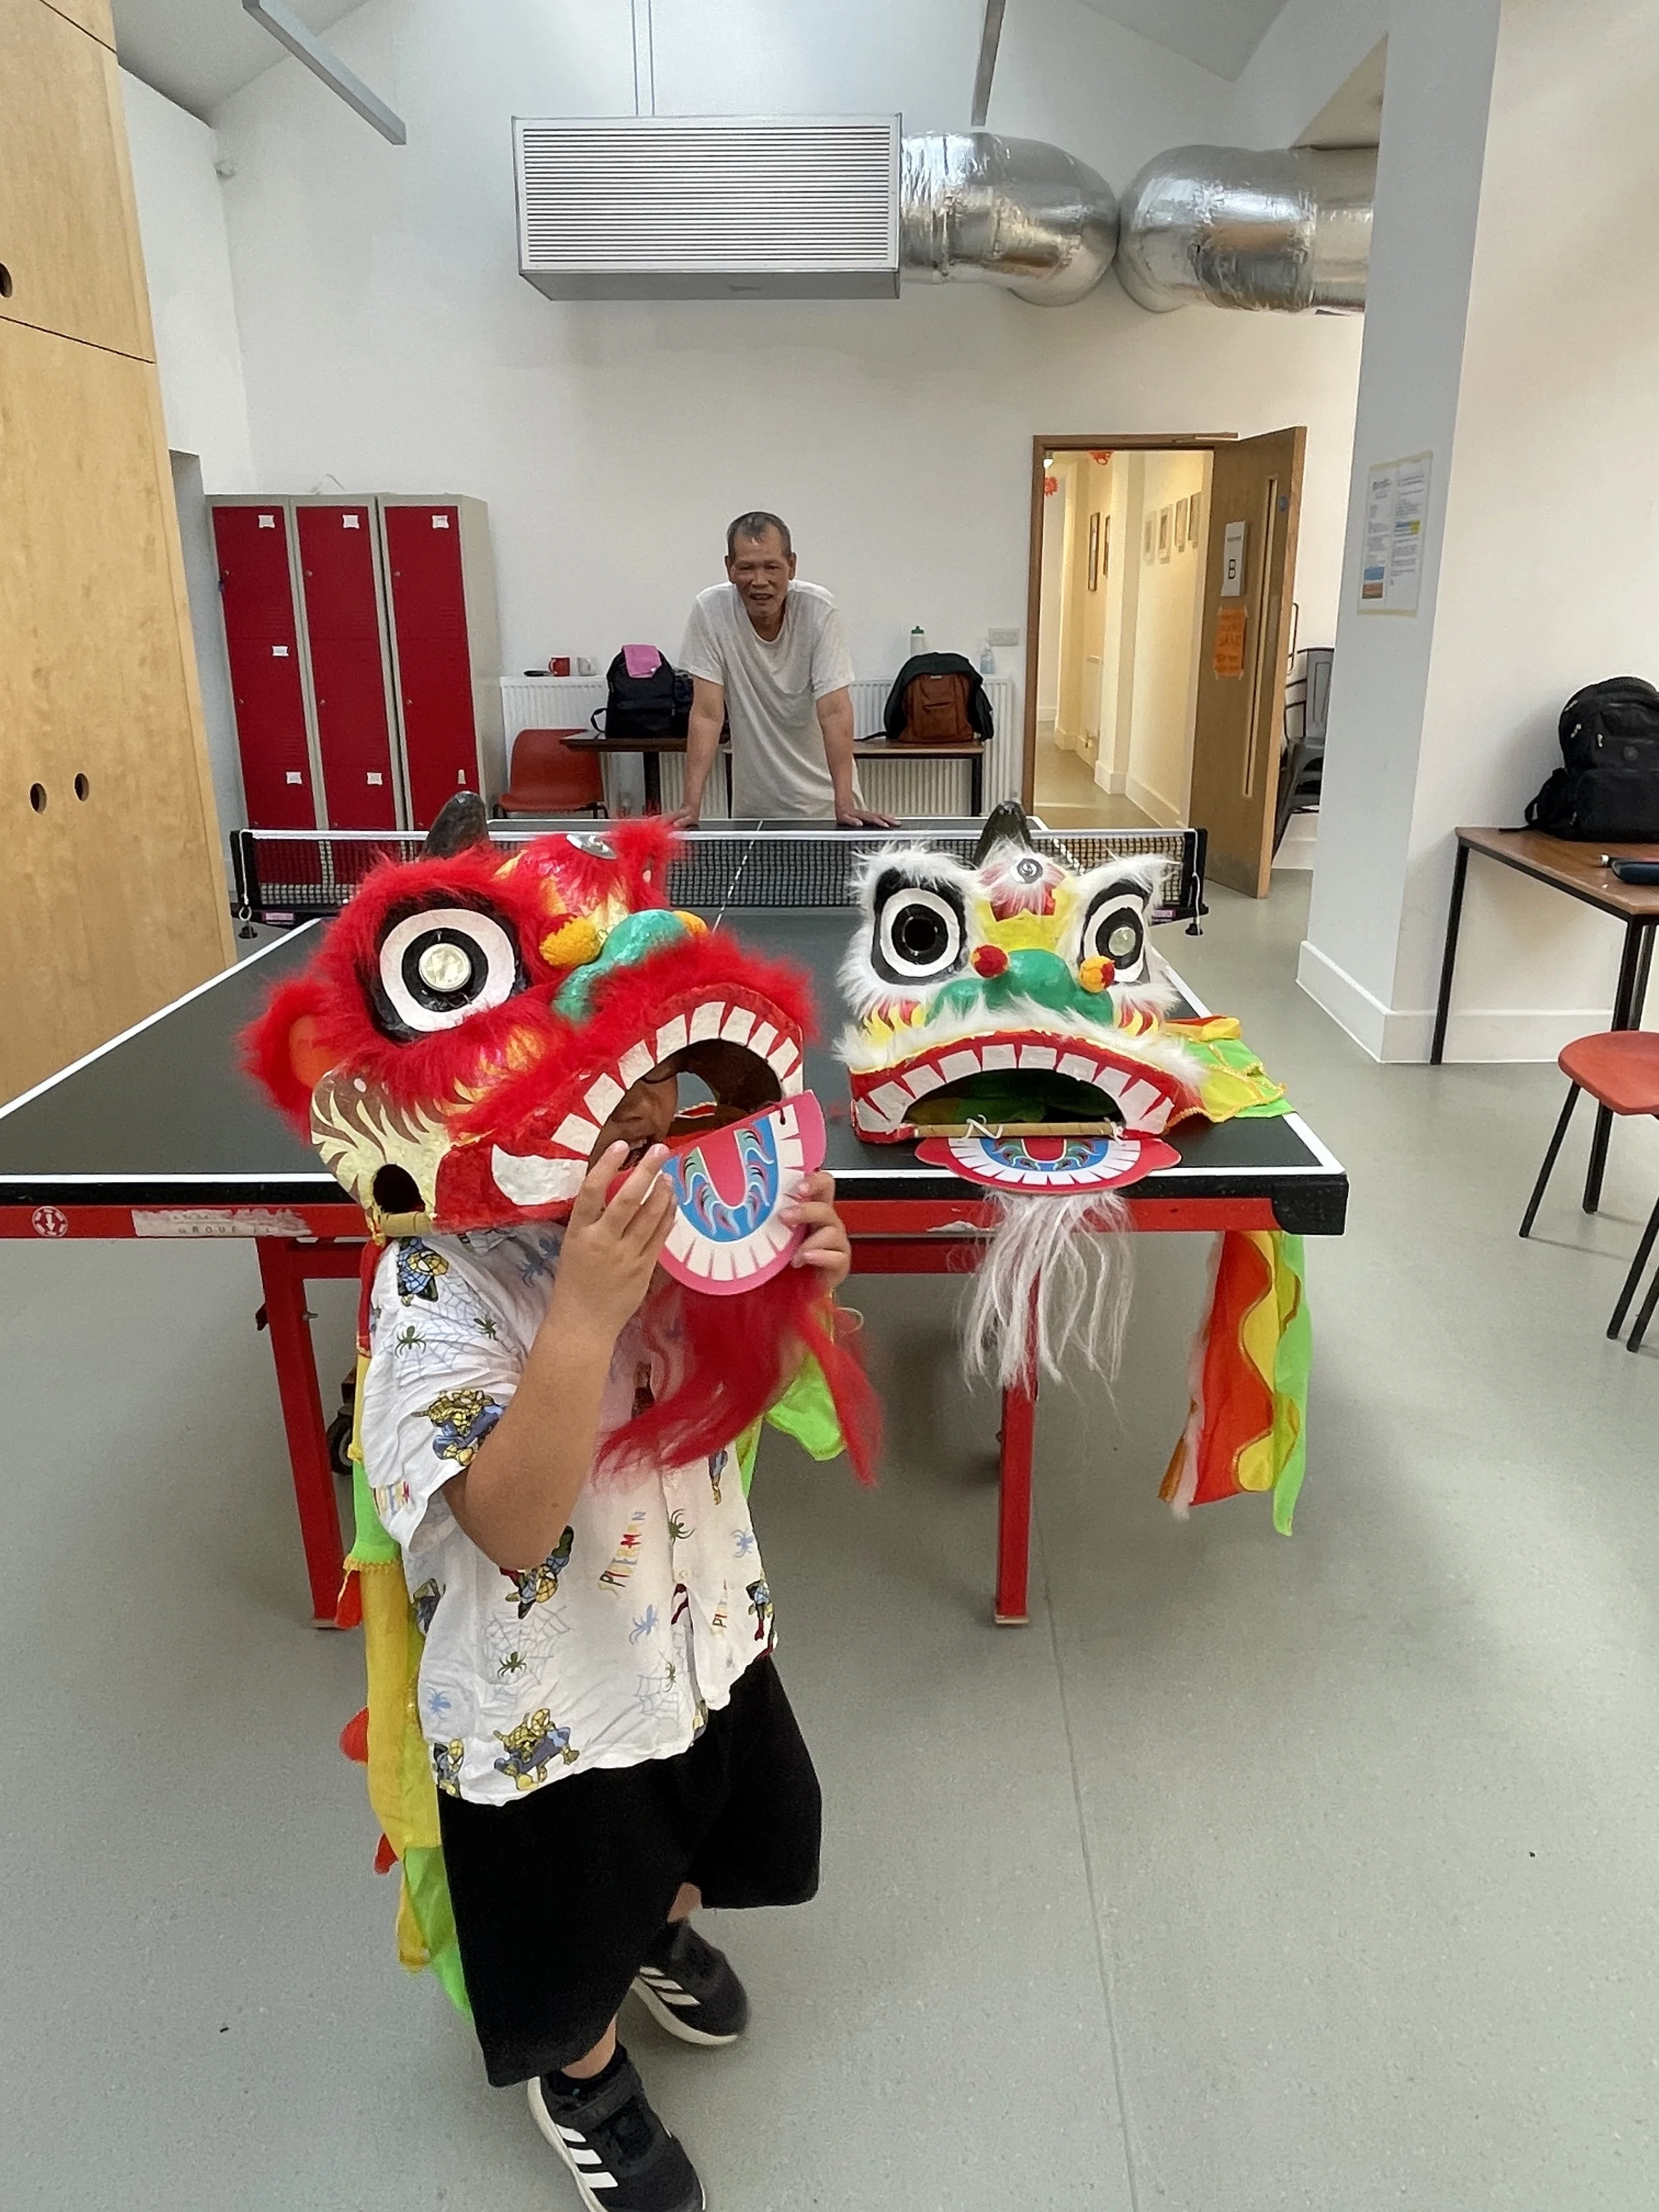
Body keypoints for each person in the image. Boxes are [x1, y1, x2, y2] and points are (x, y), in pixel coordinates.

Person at [359, 1055, 853, 2212]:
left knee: (695, 1830)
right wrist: (583, 1309)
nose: (642, 1118)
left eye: (653, 1086)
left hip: (702, 1636)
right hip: (552, 1708)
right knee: (564, 1903)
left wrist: (801, 1293)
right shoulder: (434, 1274)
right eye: (591, 1090)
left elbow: (746, 1396)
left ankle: (655, 1931)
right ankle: (580, 2076)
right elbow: (514, 1527)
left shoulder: (690, 1212)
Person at [673, 510, 897, 828]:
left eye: (771, 567)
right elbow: (707, 714)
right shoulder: (710, 612)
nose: (759, 581)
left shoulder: (819, 610)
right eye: (747, 568)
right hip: (754, 811)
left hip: (826, 809)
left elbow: (834, 710)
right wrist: (690, 805)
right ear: (729, 568)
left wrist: (843, 802)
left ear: (791, 565)